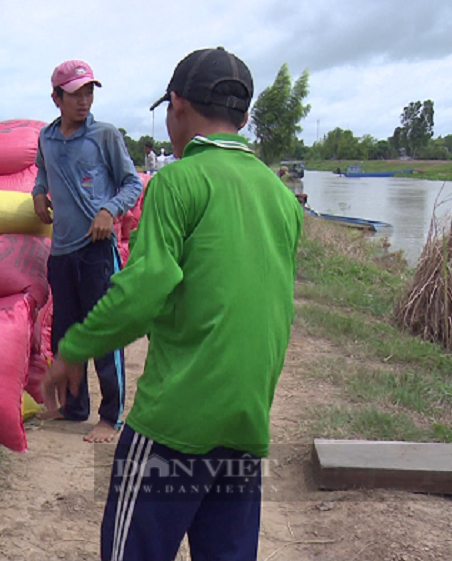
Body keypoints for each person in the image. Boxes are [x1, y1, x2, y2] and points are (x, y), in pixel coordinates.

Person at [43, 47, 302, 560]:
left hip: (176, 422)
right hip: (247, 423)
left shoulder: (177, 182)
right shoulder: (280, 196)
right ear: (245, 117)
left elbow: (144, 287)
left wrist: (74, 350)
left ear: (177, 107)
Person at [32, 59, 143, 443]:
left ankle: (111, 416)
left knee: (104, 333)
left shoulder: (105, 136)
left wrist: (108, 210)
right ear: (56, 98)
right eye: (76, 93)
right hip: (61, 251)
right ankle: (74, 408)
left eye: (89, 91)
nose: (84, 100)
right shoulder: (46, 138)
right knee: (66, 335)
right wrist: (37, 193)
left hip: (96, 251)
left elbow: (132, 184)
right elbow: (42, 173)